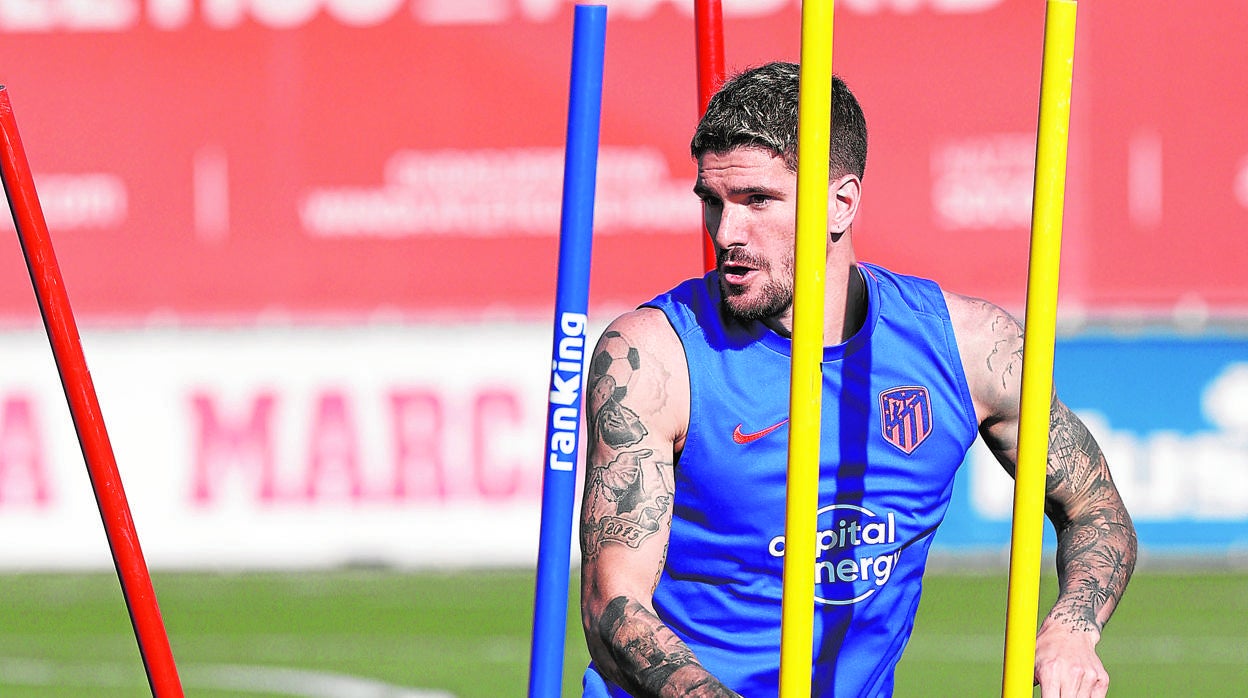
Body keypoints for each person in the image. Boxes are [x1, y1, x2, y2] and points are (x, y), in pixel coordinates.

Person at [577, 61, 1137, 698]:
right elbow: (612, 606)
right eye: (713, 202)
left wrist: (1071, 626)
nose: (727, 233)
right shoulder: (654, 356)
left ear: (840, 203)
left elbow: (1095, 509)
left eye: (758, 200)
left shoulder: (969, 349)